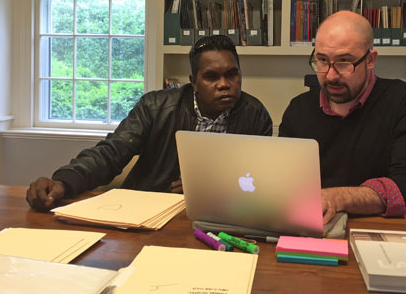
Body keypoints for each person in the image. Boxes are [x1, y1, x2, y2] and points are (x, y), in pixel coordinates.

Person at [27, 34, 273, 211]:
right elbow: (110, 153)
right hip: (149, 212)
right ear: (194, 82)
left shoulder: (256, 116)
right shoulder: (156, 107)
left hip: (216, 219)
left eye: (232, 74)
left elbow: (260, 183)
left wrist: (207, 188)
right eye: (211, 76)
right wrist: (63, 181)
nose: (224, 84)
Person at [279, 11, 406, 223]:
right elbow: (285, 184)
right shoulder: (298, 110)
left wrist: (337, 197)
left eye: (344, 62)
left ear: (370, 60)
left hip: (381, 233)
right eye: (322, 61)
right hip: (314, 230)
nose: (331, 75)